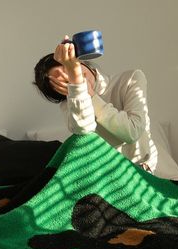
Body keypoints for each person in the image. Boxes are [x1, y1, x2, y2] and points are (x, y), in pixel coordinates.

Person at [34, 35, 157, 173]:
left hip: (139, 171)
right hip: (100, 173)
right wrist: (78, 88)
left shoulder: (131, 79)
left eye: (70, 69)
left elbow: (132, 132)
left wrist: (92, 95)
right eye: (66, 83)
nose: (72, 77)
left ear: (80, 62)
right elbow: (84, 131)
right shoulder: (69, 104)